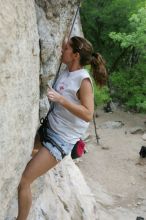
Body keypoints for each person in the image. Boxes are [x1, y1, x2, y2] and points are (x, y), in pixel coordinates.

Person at [16, 36, 107, 220]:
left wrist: (61, 99)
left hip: (61, 140)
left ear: (75, 55)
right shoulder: (67, 70)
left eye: (65, 48)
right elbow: (68, 44)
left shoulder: (83, 80)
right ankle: (36, 156)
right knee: (21, 156)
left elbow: (88, 114)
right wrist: (67, 40)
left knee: (24, 180)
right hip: (49, 127)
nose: (61, 50)